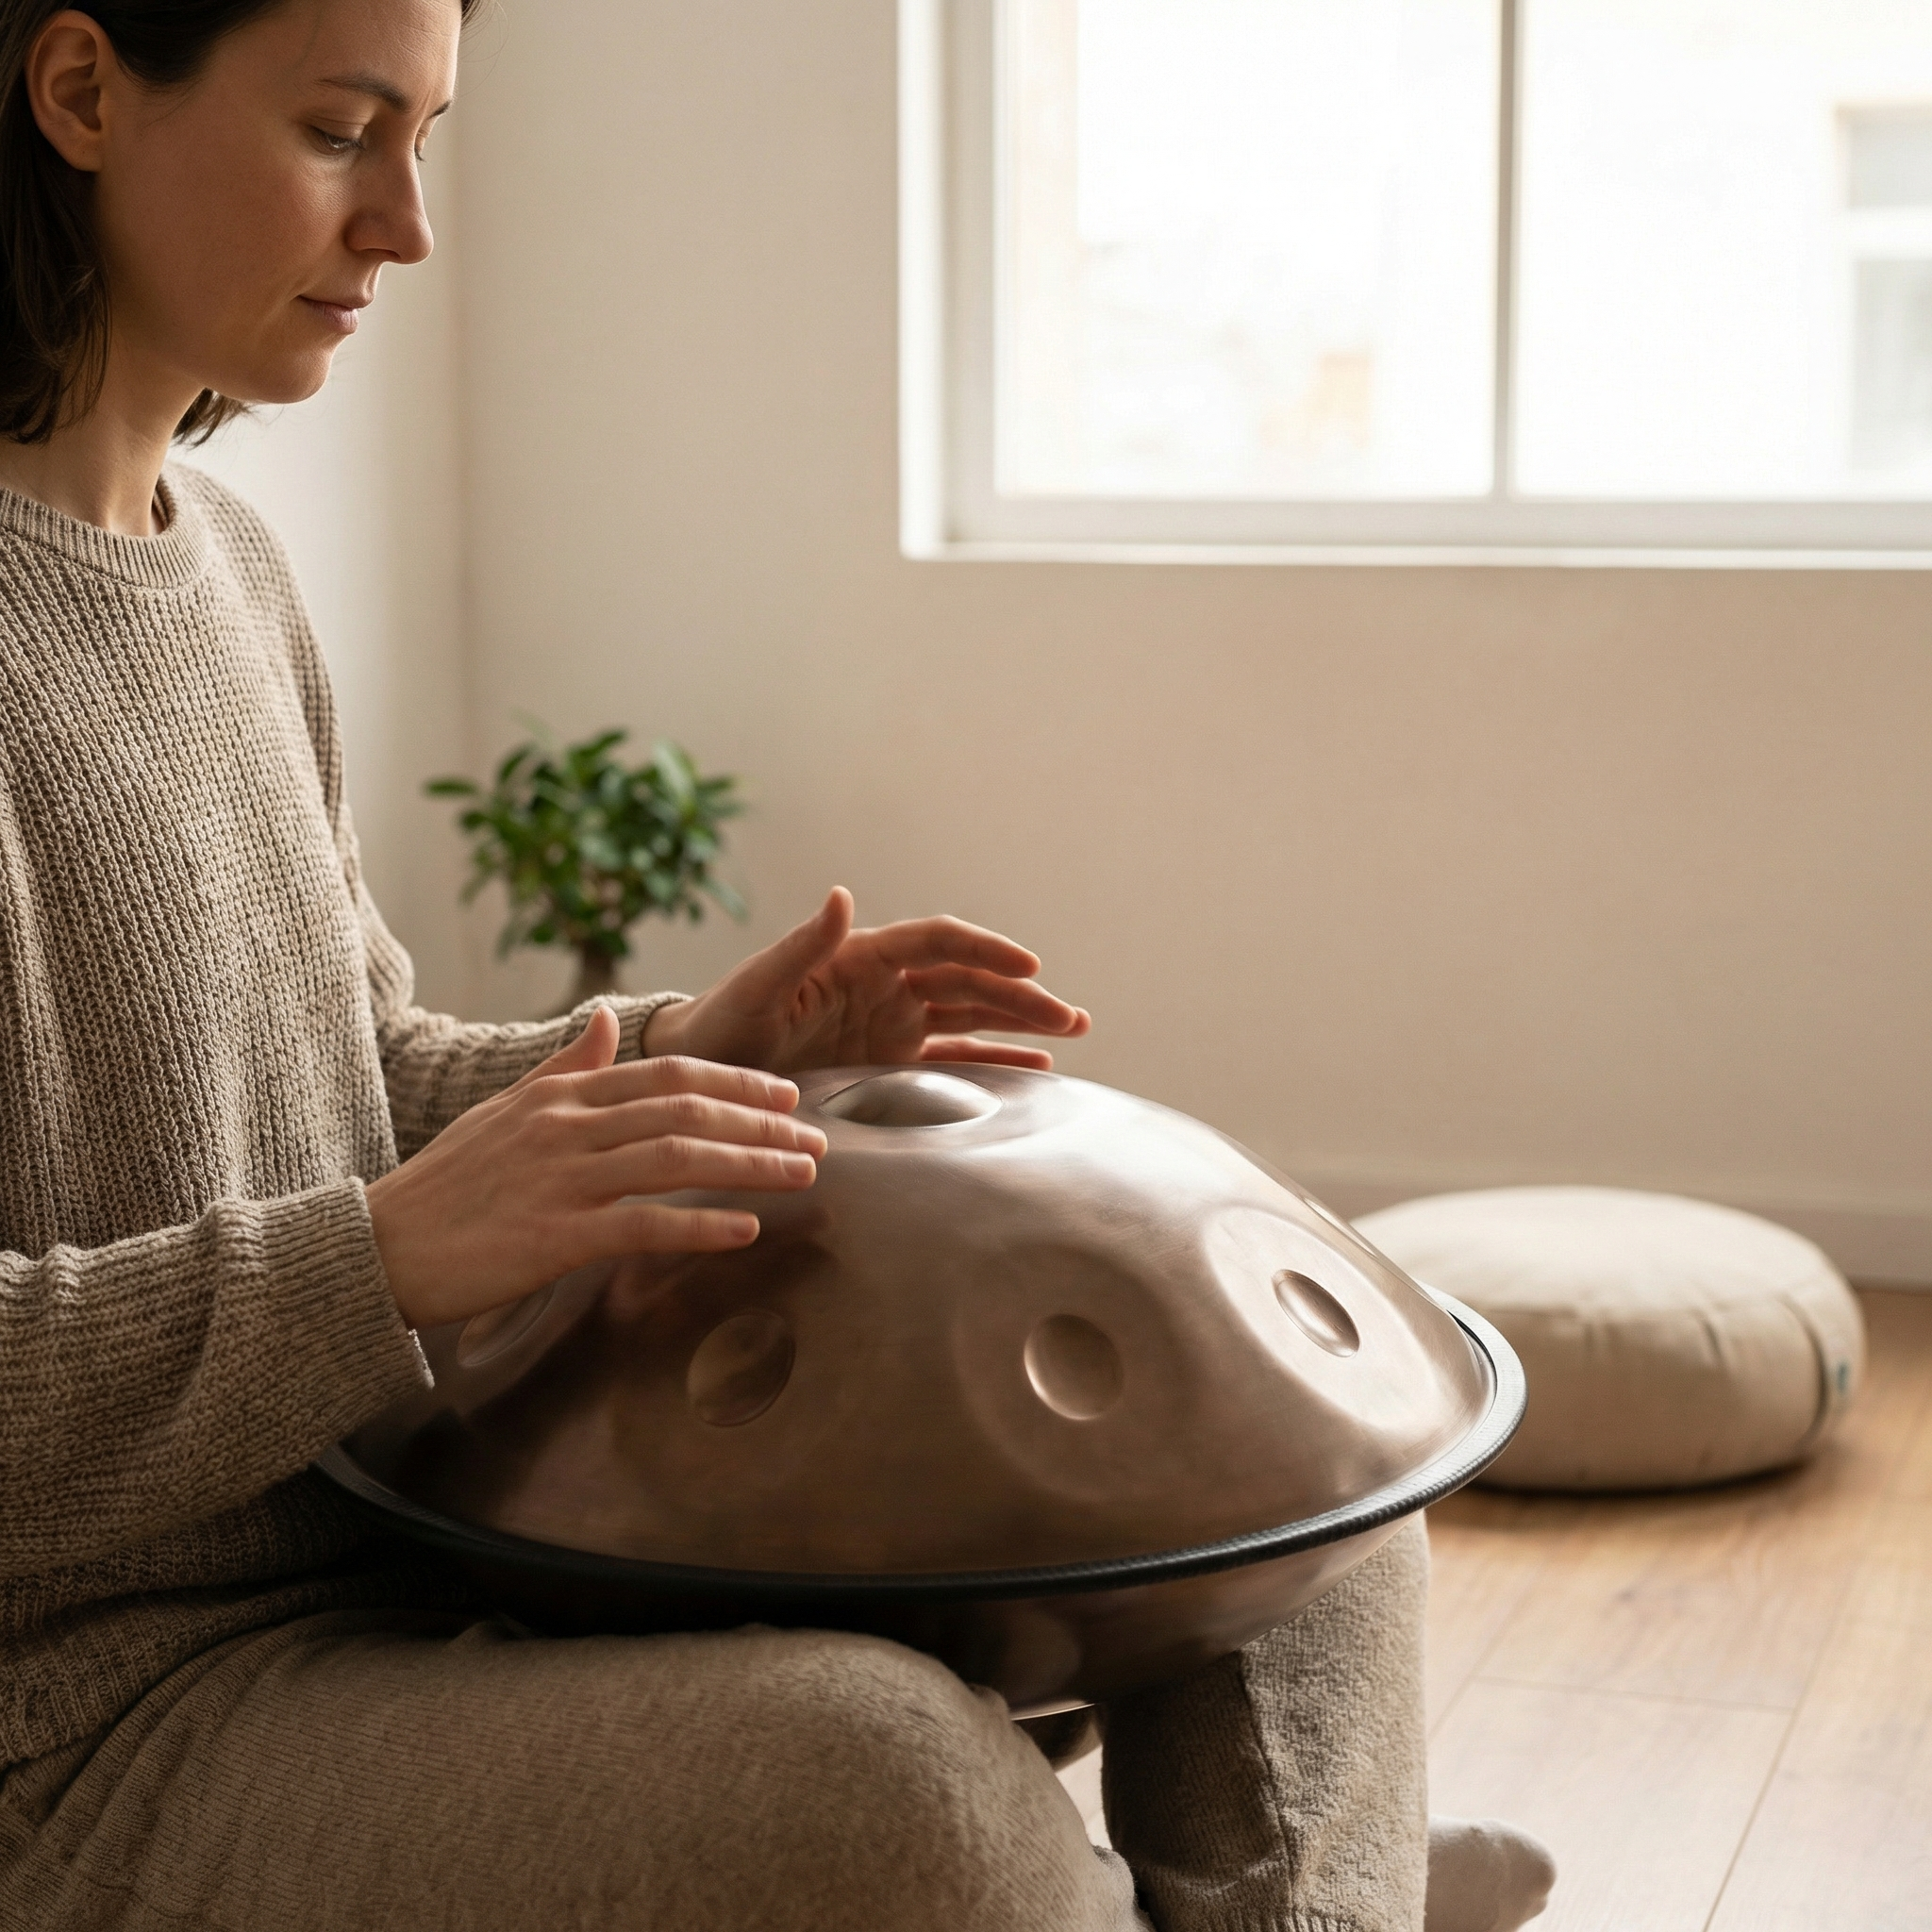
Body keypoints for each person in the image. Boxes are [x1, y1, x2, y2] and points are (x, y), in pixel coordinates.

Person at [0, 1, 1556, 1926]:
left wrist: (685, 1046)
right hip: (105, 1727)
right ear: (80, 92)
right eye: (340, 130)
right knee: (891, 1793)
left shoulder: (222, 564)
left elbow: (350, 1079)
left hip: (417, 1535)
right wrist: (383, 1259)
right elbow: (364, 1220)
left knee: (1297, 1492)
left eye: (429, 139)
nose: (406, 223)